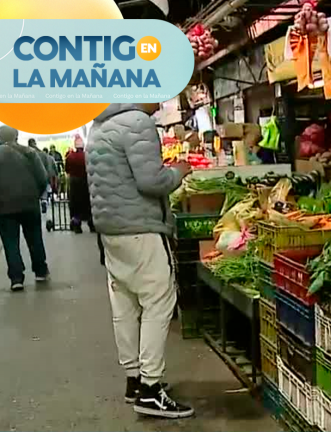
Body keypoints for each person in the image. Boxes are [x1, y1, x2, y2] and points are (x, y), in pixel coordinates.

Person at [86, 103, 194, 418]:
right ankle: (150, 389)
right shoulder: (136, 122)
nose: (161, 103)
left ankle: (134, 379)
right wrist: (180, 171)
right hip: (141, 228)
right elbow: (152, 182)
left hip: (111, 230)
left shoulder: (100, 125)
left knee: (125, 304)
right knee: (159, 301)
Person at [0, 126, 50, 291]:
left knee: (10, 243)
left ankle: (16, 278)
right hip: (30, 204)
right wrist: (36, 194)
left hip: (4, 207)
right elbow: (43, 178)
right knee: (35, 238)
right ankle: (40, 271)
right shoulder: (29, 153)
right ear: (16, 136)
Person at [65, 135, 94, 233]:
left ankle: (77, 226)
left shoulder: (70, 156)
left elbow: (67, 170)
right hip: (86, 182)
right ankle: (92, 224)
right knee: (88, 204)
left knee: (75, 205)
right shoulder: (88, 155)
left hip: (74, 183)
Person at [29, 138, 57, 212]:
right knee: (44, 191)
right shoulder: (42, 153)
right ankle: (44, 201)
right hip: (43, 175)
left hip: (32, 176)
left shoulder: (27, 153)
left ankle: (35, 206)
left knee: (34, 192)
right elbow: (47, 166)